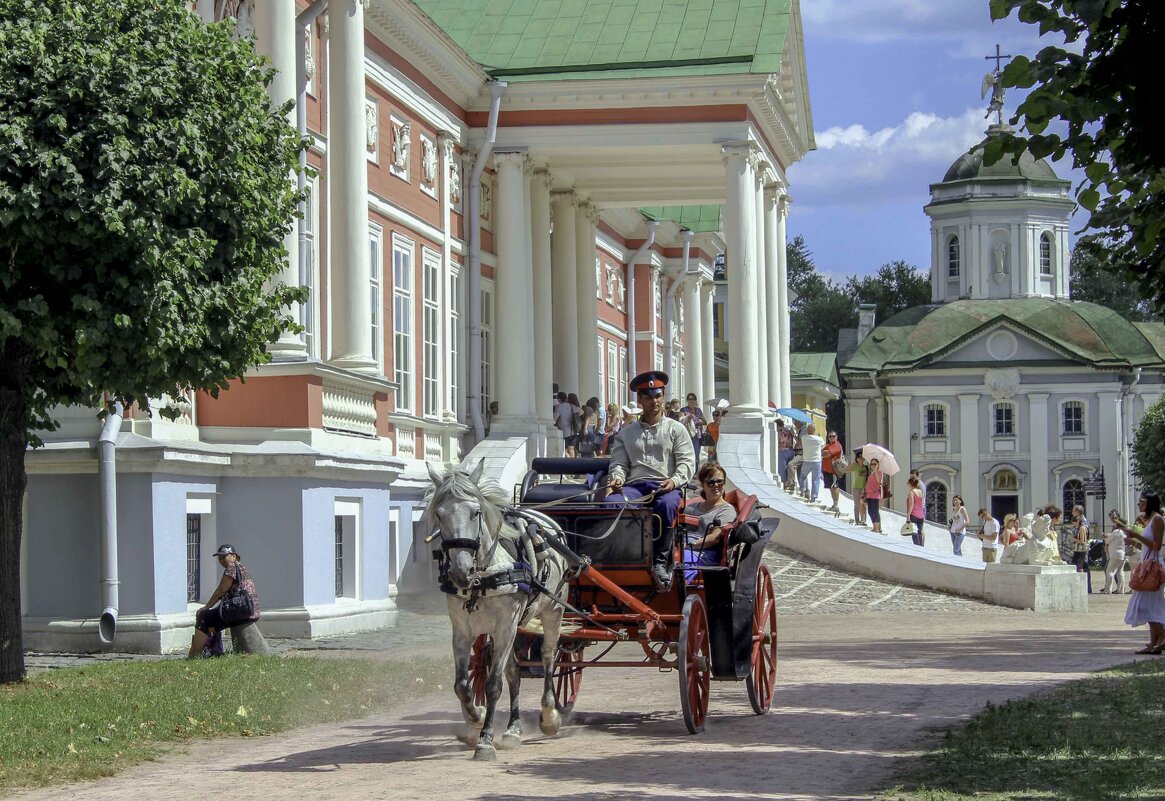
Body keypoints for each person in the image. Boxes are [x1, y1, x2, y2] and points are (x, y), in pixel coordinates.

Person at [606, 370, 696, 590]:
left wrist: (674, 481)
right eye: (648, 396)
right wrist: (617, 478)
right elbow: (618, 463)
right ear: (640, 399)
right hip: (635, 487)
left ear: (662, 396)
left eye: (657, 395)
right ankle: (624, 555)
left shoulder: (676, 430)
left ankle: (659, 561)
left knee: (667, 505)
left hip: (665, 486)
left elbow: (687, 462)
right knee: (612, 504)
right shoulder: (626, 433)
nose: (654, 401)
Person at [187, 544, 260, 659]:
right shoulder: (242, 568)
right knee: (214, 618)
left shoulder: (232, 567)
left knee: (204, 617)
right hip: (249, 610)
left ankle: (194, 655)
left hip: (241, 611)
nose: (221, 561)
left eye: (224, 557)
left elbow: (221, 590)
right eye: (219, 558)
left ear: (234, 556)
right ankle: (214, 649)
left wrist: (206, 607)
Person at [1118, 490, 1165, 654]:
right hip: (1146, 565)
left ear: (1151, 502)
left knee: (1146, 605)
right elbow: (1146, 546)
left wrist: (1136, 535)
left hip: (1152, 568)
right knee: (1150, 605)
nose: (1139, 504)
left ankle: (1162, 637)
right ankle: (1154, 643)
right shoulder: (1151, 519)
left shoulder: (1158, 519)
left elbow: (1157, 545)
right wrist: (1133, 541)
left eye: (1142, 501)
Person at [681, 463, 737, 582]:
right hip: (682, 547)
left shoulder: (726, 510)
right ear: (703, 485)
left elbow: (714, 538)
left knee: (682, 561)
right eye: (711, 482)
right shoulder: (691, 508)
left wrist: (688, 546)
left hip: (706, 551)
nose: (716, 485)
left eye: (720, 481)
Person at [1103, 509, 1129, 594]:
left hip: (1115, 554)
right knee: (1120, 572)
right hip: (1123, 554)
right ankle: (1121, 589)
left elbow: (1108, 541)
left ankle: (1107, 589)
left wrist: (1105, 537)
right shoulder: (1124, 532)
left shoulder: (1116, 531)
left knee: (1110, 571)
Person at [799, 423, 825, 503]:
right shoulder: (819, 439)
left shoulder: (804, 438)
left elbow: (800, 440)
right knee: (815, 479)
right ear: (814, 430)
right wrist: (818, 436)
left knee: (803, 476)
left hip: (807, 460)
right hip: (816, 461)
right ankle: (814, 496)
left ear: (807, 430)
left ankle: (802, 491)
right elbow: (823, 445)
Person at [1070, 504, 1092, 592]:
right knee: (1083, 566)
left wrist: (1073, 538)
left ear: (1078, 512)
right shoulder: (1079, 521)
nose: (1072, 512)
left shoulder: (1083, 522)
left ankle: (1085, 587)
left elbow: (1083, 537)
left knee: (1082, 566)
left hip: (1081, 548)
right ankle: (1086, 587)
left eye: (1073, 511)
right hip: (1078, 547)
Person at [679, 392, 707, 464]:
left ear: (696, 400)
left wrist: (698, 421)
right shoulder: (683, 410)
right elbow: (680, 421)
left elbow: (705, 422)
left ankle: (696, 472)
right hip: (687, 434)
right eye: (690, 399)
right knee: (687, 454)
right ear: (687, 400)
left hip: (697, 435)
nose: (692, 401)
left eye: (693, 399)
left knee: (696, 455)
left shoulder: (698, 410)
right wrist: (688, 418)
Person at [821, 431, 844, 513]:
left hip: (833, 470)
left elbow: (827, 454)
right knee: (831, 487)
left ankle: (836, 505)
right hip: (827, 470)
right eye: (830, 436)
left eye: (833, 436)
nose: (831, 438)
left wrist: (825, 452)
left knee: (834, 487)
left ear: (836, 437)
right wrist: (825, 452)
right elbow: (821, 453)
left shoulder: (837, 445)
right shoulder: (828, 446)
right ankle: (834, 505)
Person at [864, 458, 884, 533]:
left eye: (874, 464)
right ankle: (874, 526)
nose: (873, 465)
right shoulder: (870, 473)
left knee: (875, 510)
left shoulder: (879, 472)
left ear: (878, 465)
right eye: (871, 464)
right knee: (870, 511)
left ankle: (877, 528)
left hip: (875, 494)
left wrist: (876, 472)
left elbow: (879, 481)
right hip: (869, 494)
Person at [850, 451, 869, 526]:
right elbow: (847, 469)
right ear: (857, 458)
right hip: (856, 487)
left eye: (862, 457)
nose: (861, 459)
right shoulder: (855, 466)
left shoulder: (866, 467)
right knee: (857, 504)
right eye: (859, 457)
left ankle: (863, 520)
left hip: (864, 487)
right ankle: (857, 520)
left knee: (864, 504)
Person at [906, 475, 925, 545]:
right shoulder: (920, 491)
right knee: (920, 532)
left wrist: (908, 515)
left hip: (914, 514)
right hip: (921, 515)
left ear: (910, 484)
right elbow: (921, 503)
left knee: (914, 532)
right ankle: (921, 547)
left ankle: (917, 547)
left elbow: (911, 505)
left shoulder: (911, 492)